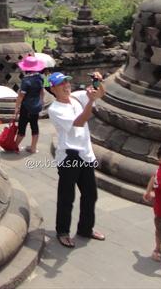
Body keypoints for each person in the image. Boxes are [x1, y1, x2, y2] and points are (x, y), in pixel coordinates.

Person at [47, 70, 106, 248]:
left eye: (66, 82)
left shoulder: (77, 97)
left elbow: (100, 93)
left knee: (90, 195)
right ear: (53, 89)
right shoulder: (55, 109)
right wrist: (92, 101)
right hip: (69, 157)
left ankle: (85, 229)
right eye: (61, 84)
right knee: (67, 197)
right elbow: (80, 121)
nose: (66, 86)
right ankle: (62, 231)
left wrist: (98, 82)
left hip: (85, 154)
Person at [13, 55, 46, 153]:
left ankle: (15, 147)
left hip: (26, 107)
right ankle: (33, 147)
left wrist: (16, 107)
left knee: (22, 127)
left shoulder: (26, 81)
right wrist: (41, 101)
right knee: (34, 126)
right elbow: (42, 92)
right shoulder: (40, 78)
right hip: (36, 106)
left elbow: (21, 96)